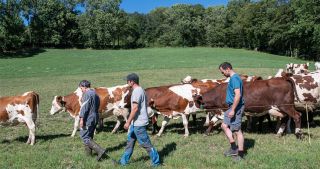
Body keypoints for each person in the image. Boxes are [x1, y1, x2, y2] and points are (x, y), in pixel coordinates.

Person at [119, 73, 160, 166]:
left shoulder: (137, 91)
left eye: (127, 81)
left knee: (146, 144)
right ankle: (123, 162)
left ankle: (156, 162)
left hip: (139, 123)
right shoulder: (140, 89)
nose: (126, 83)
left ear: (132, 82)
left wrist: (128, 122)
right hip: (135, 123)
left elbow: (135, 108)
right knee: (130, 142)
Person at [218, 62, 245, 161]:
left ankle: (241, 154)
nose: (223, 74)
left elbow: (238, 95)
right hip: (231, 107)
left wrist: (233, 110)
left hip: (236, 107)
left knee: (237, 131)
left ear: (228, 69)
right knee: (224, 126)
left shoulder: (235, 78)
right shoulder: (233, 78)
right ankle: (234, 148)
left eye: (223, 72)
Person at [79, 80, 107, 161]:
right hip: (95, 115)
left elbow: (84, 108)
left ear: (84, 86)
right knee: (90, 135)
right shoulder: (95, 93)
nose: (81, 90)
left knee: (84, 136)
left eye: (81, 88)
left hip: (88, 117)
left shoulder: (87, 94)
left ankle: (100, 151)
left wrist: (81, 119)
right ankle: (88, 155)